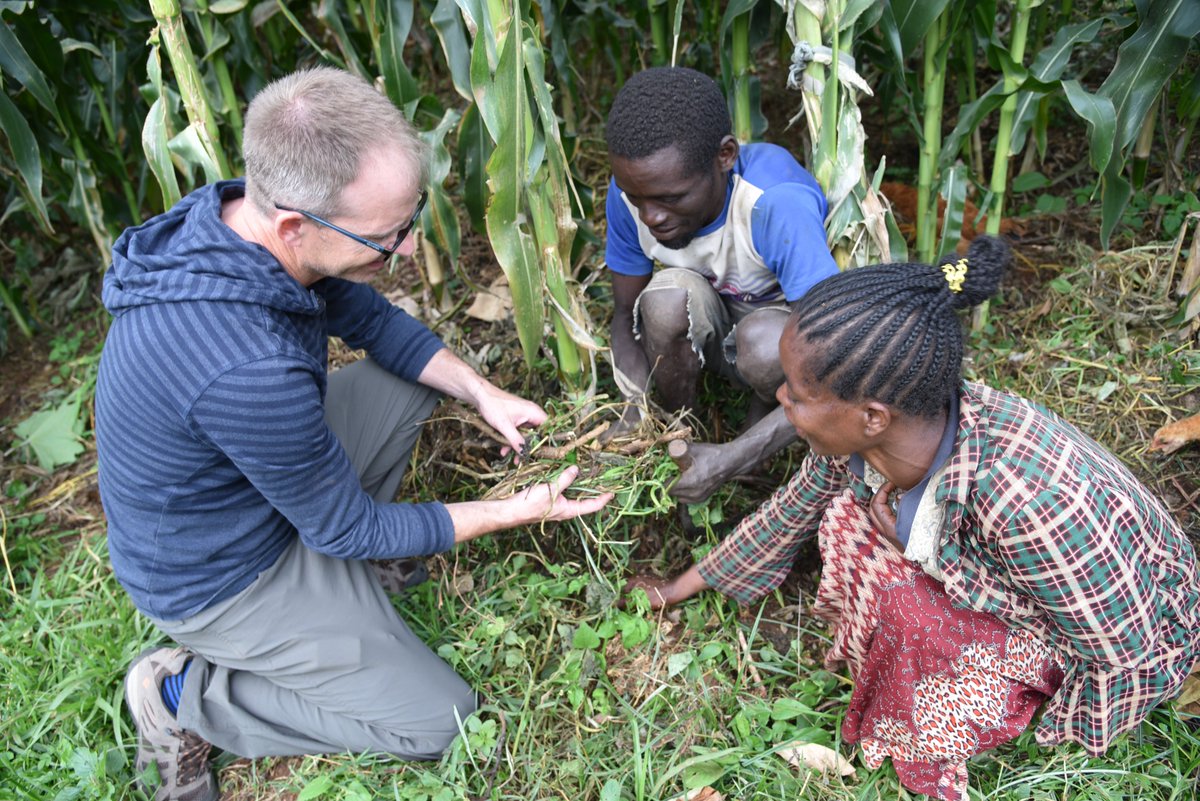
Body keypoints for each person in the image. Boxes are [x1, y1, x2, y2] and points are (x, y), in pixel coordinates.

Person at [95, 67, 612, 801]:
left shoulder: (235, 223)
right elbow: (347, 525)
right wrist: (515, 509)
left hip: (254, 486)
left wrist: (482, 390)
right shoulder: (244, 367)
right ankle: (184, 697)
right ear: (294, 226)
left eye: (408, 218)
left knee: (410, 381)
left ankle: (338, 601)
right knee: (441, 721)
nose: (404, 249)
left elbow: (370, 321)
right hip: (222, 573)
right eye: (386, 234)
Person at [620, 236, 1200, 800]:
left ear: (872, 416)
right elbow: (790, 512)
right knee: (846, 516)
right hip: (1047, 588)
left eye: (796, 392)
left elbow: (1121, 650)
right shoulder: (888, 431)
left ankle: (967, 710)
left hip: (1125, 626)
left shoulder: (1025, 497)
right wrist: (678, 588)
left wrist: (1063, 739)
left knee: (909, 605)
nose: (781, 403)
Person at [603, 66, 838, 504]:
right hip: (711, 323)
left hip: (781, 337)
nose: (651, 217)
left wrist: (736, 456)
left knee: (765, 345)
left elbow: (832, 363)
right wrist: (636, 411)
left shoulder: (773, 203)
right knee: (664, 303)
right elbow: (624, 314)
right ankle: (681, 431)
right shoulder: (630, 194)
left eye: (671, 199)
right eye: (639, 199)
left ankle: (754, 435)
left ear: (725, 155)